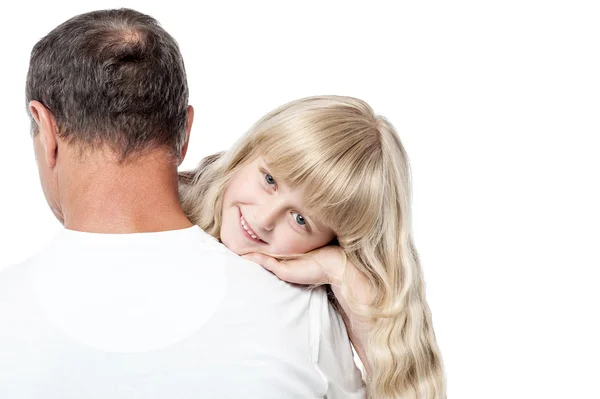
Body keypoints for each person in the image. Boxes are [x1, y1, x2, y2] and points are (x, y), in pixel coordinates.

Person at [0, 9, 365, 399]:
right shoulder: (303, 317)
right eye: (270, 180)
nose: (262, 220)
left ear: (48, 132)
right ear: (184, 131)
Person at [179, 95, 447, 399]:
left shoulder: (311, 317)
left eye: (300, 219)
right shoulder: (163, 205)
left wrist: (339, 270)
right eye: (269, 180)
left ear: (332, 240)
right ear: (247, 153)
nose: (264, 219)